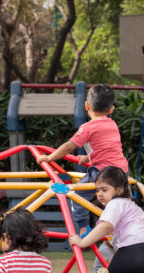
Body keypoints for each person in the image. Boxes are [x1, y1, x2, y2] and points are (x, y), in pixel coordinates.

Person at [36, 84, 129, 233]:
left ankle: (84, 229)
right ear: (111, 109)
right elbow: (108, 148)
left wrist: (49, 157)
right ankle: (122, 226)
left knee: (78, 195)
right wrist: (88, 157)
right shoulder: (112, 124)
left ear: (87, 106)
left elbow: (69, 146)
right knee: (117, 201)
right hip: (122, 171)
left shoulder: (88, 127)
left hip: (103, 172)